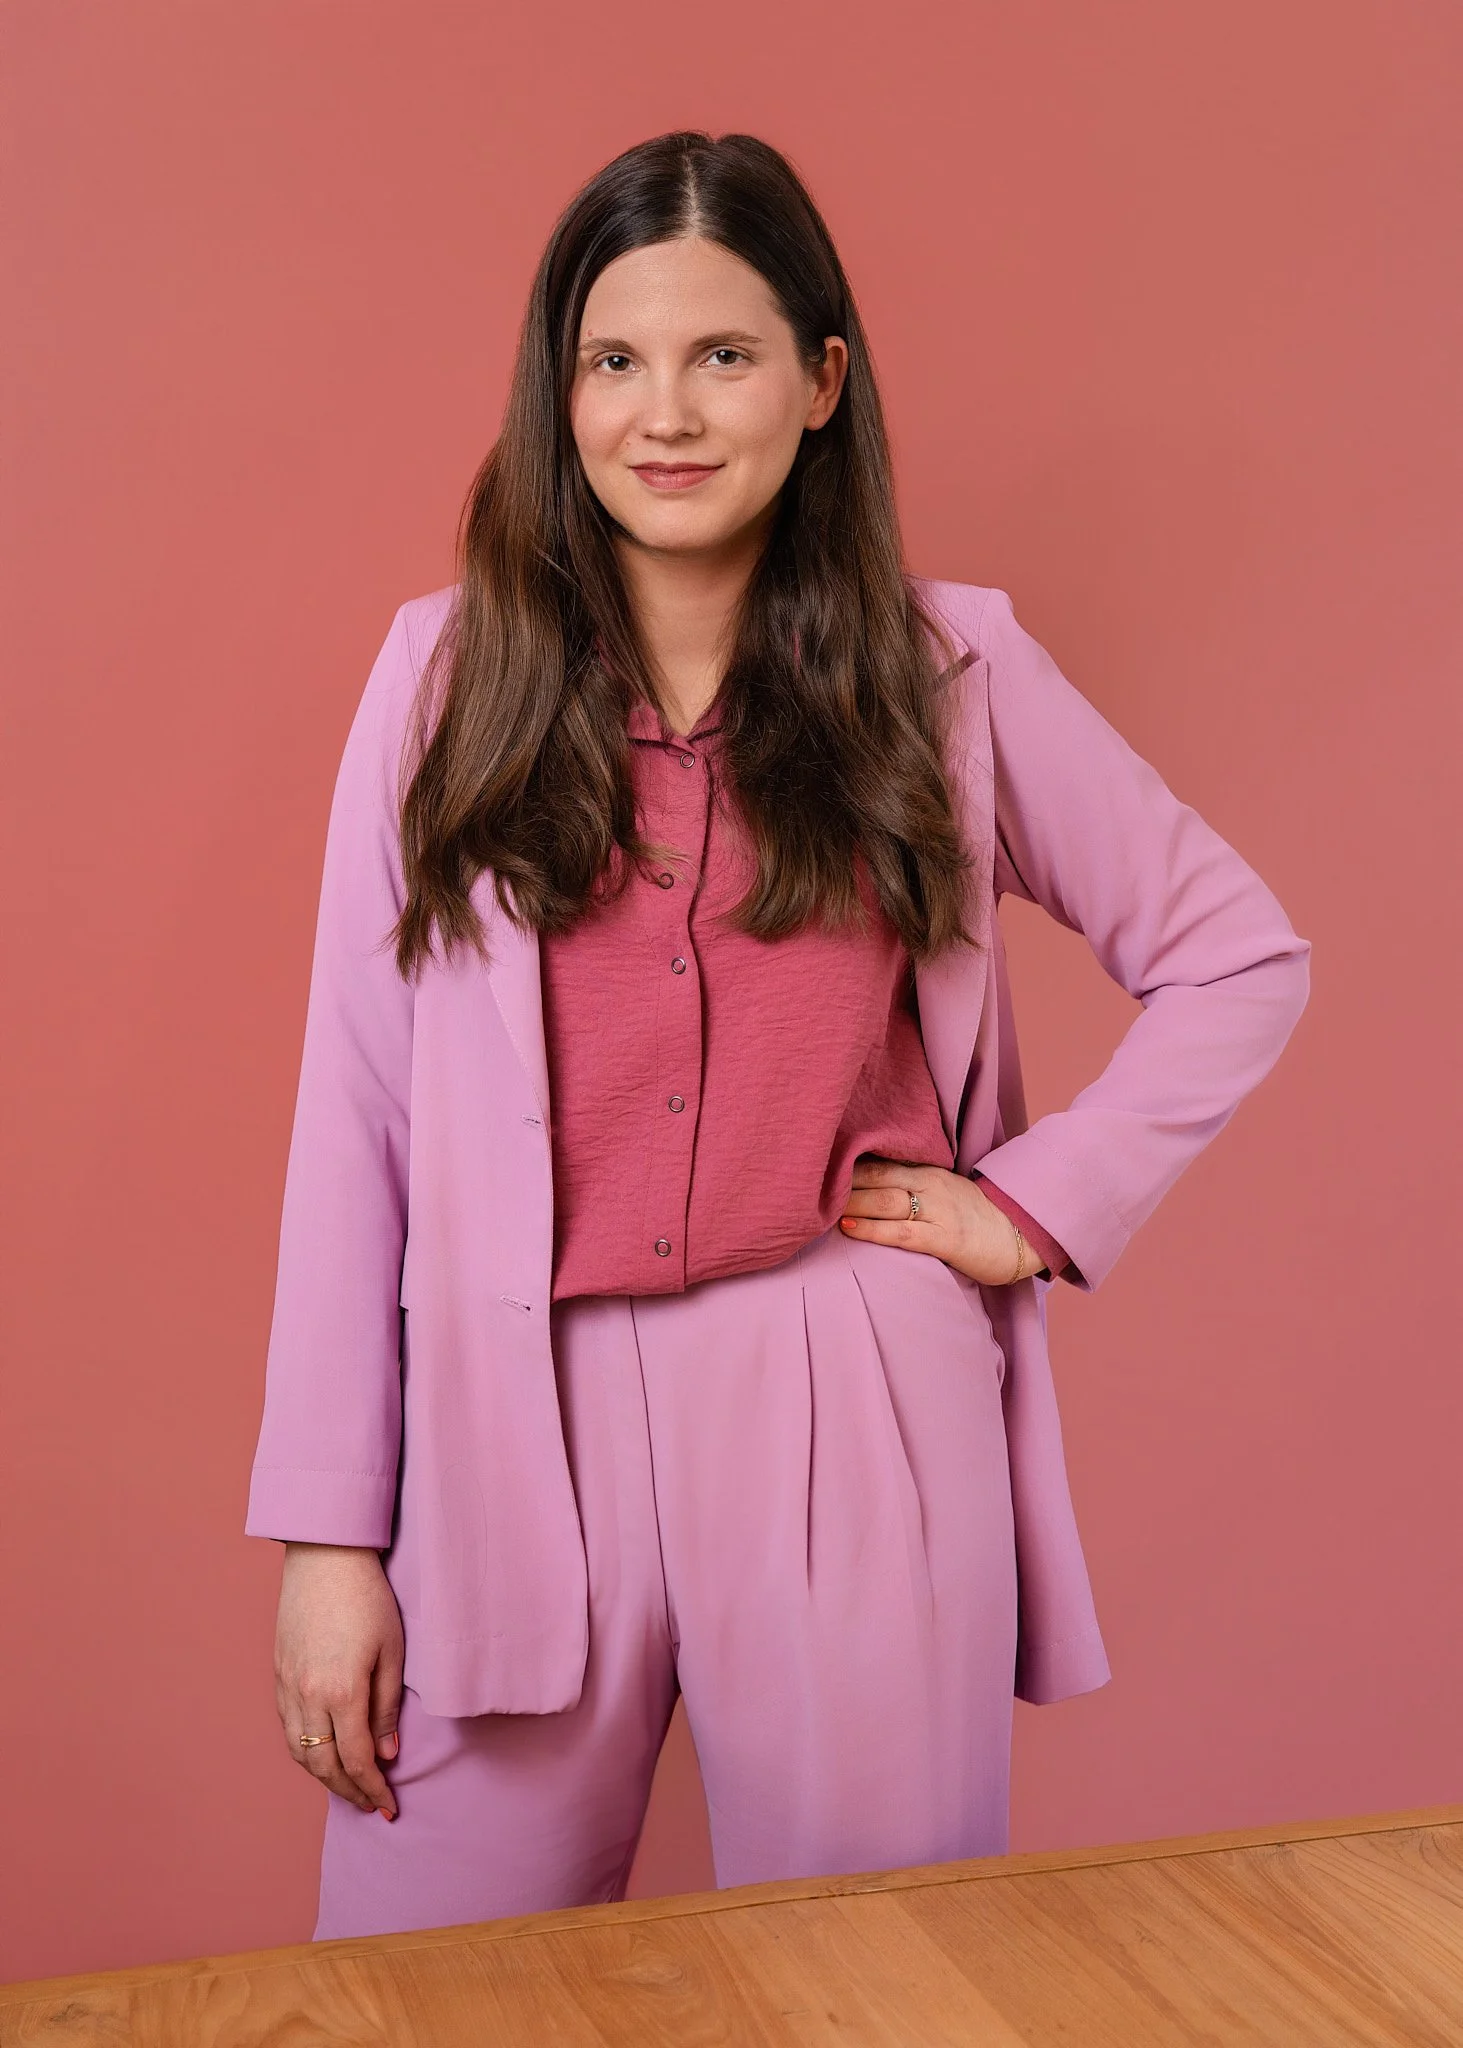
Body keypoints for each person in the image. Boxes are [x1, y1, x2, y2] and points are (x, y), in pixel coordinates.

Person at [245, 130, 1311, 1940]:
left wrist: (1027, 1206)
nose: (664, 411)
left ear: (820, 382)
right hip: (515, 1416)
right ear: (559, 388)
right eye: (613, 359)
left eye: (722, 355)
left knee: (878, 1975)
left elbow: (1236, 955)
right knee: (423, 1982)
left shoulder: (947, 670)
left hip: (852, 1402)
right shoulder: (437, 687)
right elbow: (354, 1113)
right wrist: (331, 1539)